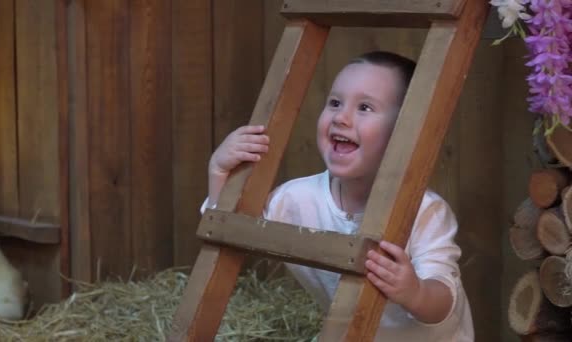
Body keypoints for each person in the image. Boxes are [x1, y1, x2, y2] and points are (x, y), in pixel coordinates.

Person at [201, 51, 473, 341]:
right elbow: (230, 236)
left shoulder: (425, 211)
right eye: (334, 103)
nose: (341, 117)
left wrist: (415, 292)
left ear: (404, 130)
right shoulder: (296, 199)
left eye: (365, 107)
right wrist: (219, 173)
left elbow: (443, 301)